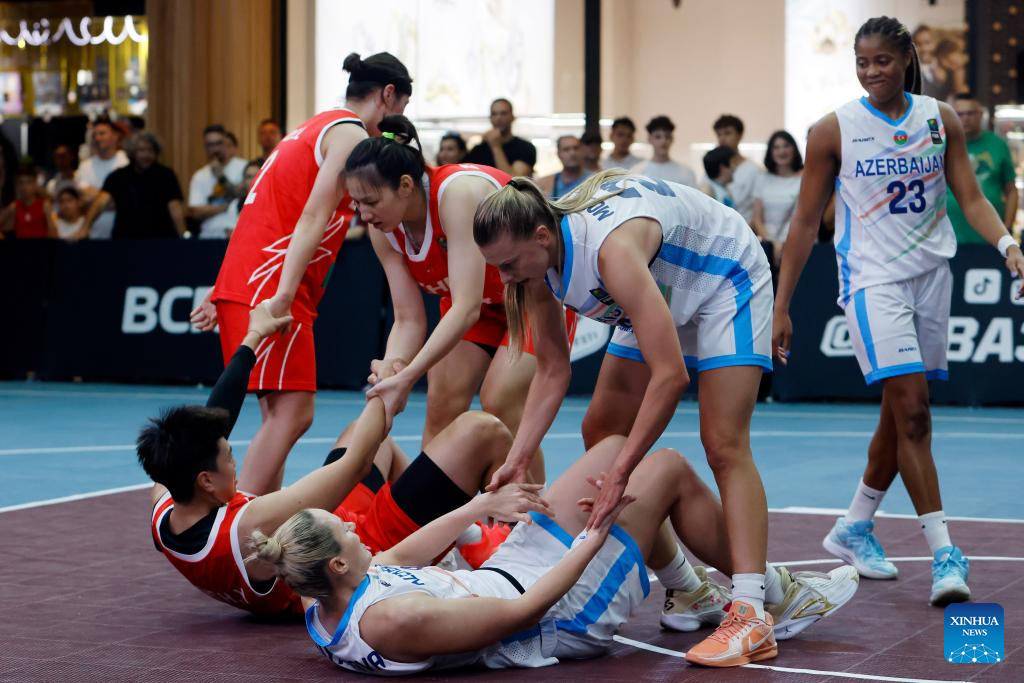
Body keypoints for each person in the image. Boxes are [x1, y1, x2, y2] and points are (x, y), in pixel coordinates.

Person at [471, 170, 806, 666]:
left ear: (541, 237)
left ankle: (752, 612)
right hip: (660, 284)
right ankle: (688, 586)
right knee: (602, 432)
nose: (503, 278)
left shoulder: (610, 253)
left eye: (507, 264)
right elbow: (553, 370)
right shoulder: (536, 268)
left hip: (722, 275)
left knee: (723, 444)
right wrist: (518, 458)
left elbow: (670, 376)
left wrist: (623, 472)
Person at [772, 16, 1024, 607]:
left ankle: (854, 525)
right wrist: (782, 304)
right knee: (913, 410)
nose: (870, 72)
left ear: (907, 57)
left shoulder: (941, 119)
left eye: (881, 61)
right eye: (861, 63)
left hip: (933, 278)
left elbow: (970, 197)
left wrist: (1008, 245)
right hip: (871, 281)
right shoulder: (833, 129)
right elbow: (804, 222)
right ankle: (945, 553)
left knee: (901, 410)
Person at [257, 433, 858, 674]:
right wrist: (590, 541)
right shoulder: (395, 619)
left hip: (509, 574)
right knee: (666, 469)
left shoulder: (322, 595)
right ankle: (774, 593)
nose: (355, 528)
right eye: (345, 531)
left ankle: (691, 593)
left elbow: (400, 554)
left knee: (615, 450)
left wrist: (479, 506)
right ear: (337, 564)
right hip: (558, 614)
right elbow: (523, 614)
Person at [140, 302, 535, 616]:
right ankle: (513, 552)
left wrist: (253, 336)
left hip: (324, 532)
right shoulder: (246, 527)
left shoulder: (166, 502)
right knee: (482, 431)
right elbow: (355, 465)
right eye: (229, 458)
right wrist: (388, 385)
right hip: (361, 552)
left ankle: (453, 538)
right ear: (206, 480)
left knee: (366, 436)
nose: (235, 462)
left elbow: (217, 417)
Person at [191, 52, 413, 496]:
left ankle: (259, 520)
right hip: (274, 281)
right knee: (294, 413)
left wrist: (224, 286)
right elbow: (312, 215)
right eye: (402, 106)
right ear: (388, 95)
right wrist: (284, 294)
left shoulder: (315, 127)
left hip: (253, 276)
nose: (396, 122)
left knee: (280, 414)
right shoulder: (349, 134)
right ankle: (242, 524)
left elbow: (262, 210)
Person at [345, 116, 575, 483]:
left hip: (532, 293)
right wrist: (391, 369)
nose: (363, 214)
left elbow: (465, 308)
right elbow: (407, 319)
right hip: (481, 304)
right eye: (356, 203)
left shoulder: (456, 194)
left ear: (405, 185)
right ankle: (432, 512)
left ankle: (529, 512)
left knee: (500, 398)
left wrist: (408, 377)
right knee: (442, 404)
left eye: (370, 201)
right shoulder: (382, 229)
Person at [78, 132, 186, 240]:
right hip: (126, 240)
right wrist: (84, 228)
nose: (146, 155)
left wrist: (183, 236)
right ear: (132, 152)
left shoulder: (166, 175)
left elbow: (174, 207)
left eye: (151, 150)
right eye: (141, 150)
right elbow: (100, 202)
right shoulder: (118, 176)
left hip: (160, 239)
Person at [946, 94, 1018, 243]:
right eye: (959, 114)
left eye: (970, 113)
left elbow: (1011, 190)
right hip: (949, 236)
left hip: (992, 236)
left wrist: (1008, 228)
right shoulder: (940, 144)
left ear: (980, 114)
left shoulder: (998, 144)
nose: (965, 118)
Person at [187, 124, 248, 239]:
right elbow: (195, 212)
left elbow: (245, 195)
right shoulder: (199, 175)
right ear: (205, 147)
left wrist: (221, 177)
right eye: (210, 145)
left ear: (226, 142)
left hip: (238, 236)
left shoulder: (244, 167)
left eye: (219, 143)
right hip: (208, 237)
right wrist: (225, 206)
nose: (215, 149)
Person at [751, 130, 804, 261]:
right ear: (770, 152)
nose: (782, 151)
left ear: (794, 149)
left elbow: (804, 217)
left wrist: (785, 243)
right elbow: (757, 218)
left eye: (786, 146)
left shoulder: (805, 178)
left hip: (797, 244)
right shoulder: (762, 178)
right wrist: (772, 243)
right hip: (767, 245)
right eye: (776, 147)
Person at [75, 118, 128, 238]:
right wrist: (114, 199)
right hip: (93, 235)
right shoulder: (85, 166)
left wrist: (96, 200)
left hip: (123, 236)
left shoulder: (126, 162)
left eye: (102, 133)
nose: (97, 138)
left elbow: (128, 201)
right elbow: (84, 199)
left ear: (116, 136)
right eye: (94, 135)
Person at [465, 98, 536, 176]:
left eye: (503, 113)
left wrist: (496, 146)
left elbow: (514, 180)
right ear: (490, 118)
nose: (498, 118)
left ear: (512, 117)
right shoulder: (478, 150)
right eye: (494, 114)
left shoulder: (525, 148)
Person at [713, 114, 761, 224]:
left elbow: (757, 210)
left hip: (745, 228)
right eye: (719, 134)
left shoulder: (754, 170)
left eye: (727, 133)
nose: (722, 139)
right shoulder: (712, 168)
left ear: (740, 135)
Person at [631, 116, 697, 188]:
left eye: (667, 137)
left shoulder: (686, 173)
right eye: (658, 137)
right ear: (649, 139)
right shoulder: (637, 172)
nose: (663, 141)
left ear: (672, 139)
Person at [0, 165, 56, 239]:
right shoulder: (14, 206)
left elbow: (53, 235)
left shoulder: (45, 205)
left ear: (35, 184)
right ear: (17, 185)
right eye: (21, 183)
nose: (24, 187)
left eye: (28, 182)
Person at [224, 160, 262, 237]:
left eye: (257, 175)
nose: (253, 180)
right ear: (244, 181)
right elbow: (230, 234)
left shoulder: (273, 202)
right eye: (249, 177)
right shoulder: (235, 204)